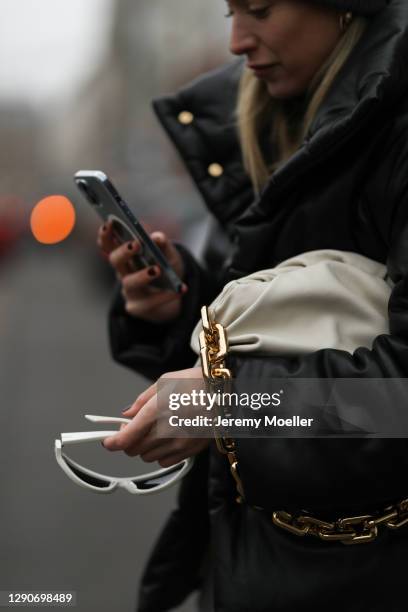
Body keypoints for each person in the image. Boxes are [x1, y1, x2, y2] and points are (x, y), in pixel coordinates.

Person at [98, 1, 408, 610]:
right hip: (282, 562)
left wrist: (229, 407)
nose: (237, 40)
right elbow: (289, 331)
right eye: (230, 10)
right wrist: (178, 307)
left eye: (261, 10)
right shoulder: (281, 119)